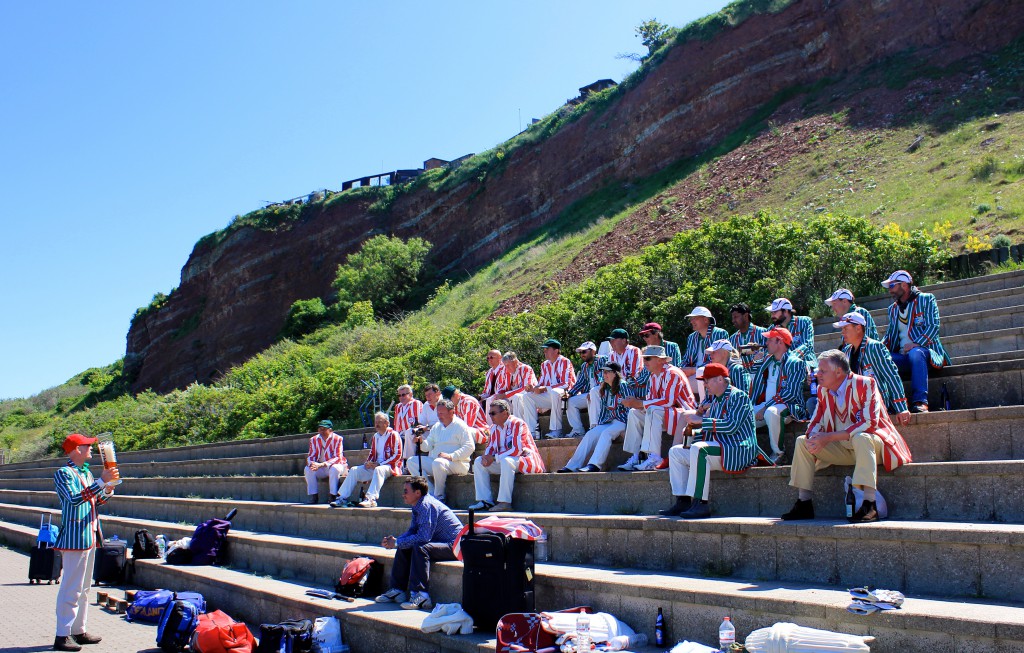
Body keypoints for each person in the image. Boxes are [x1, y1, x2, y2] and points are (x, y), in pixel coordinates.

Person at [782, 350, 913, 523]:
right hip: (845, 448)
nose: (816, 374)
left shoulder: (866, 384)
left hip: (876, 447)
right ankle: (804, 502)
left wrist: (827, 438)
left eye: (822, 371)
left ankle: (869, 504)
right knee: (802, 442)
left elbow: (869, 423)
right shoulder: (823, 390)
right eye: (817, 371)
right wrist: (813, 437)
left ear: (838, 372)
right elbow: (816, 420)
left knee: (862, 437)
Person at [661, 363, 757, 519]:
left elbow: (731, 426)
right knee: (676, 452)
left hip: (738, 449)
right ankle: (683, 501)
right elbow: (711, 429)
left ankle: (701, 504)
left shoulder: (738, 396)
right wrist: (694, 431)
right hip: (721, 448)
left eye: (706, 380)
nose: (704, 385)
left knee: (700, 449)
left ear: (720, 379)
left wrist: (700, 421)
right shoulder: (716, 401)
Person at [53, 433, 118, 652]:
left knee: (84, 588)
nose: (92, 449)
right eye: (87, 446)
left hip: (89, 535)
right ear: (75, 449)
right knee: (71, 588)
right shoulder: (64, 473)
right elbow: (73, 499)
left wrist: (107, 487)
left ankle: (78, 630)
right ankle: (62, 634)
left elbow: (95, 500)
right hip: (74, 537)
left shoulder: (87, 472)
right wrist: (101, 481)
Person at [375, 476, 462, 611]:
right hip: (440, 543)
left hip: (455, 546)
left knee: (421, 547)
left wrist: (397, 542)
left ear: (417, 493)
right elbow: (413, 531)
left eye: (406, 491)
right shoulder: (418, 504)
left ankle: (422, 596)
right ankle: (397, 590)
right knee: (405, 544)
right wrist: (396, 541)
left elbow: (424, 537)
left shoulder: (426, 506)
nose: (403, 494)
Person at [881, 269, 950, 412]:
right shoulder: (892, 309)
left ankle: (920, 401)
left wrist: (916, 343)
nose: (890, 290)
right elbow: (889, 335)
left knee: (916, 353)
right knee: (881, 358)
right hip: (902, 357)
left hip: (925, 353)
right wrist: (876, 348)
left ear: (904, 285)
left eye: (892, 286)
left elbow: (933, 326)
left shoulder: (926, 299)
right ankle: (890, 403)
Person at [618, 345, 697, 471]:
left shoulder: (673, 373)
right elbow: (651, 400)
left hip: (686, 415)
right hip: (667, 414)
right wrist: (636, 405)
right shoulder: (653, 376)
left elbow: (668, 401)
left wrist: (640, 403)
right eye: (644, 359)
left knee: (652, 410)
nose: (644, 362)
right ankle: (637, 456)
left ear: (660, 360)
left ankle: (654, 457)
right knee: (634, 413)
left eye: (648, 358)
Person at [834, 312, 912, 425]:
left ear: (858, 328)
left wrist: (901, 407)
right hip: (856, 405)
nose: (842, 332)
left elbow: (891, 376)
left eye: (846, 328)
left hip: (877, 404)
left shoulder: (875, 347)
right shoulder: (846, 351)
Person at [469, 399, 545, 512]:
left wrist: (493, 457)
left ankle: (505, 503)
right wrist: (486, 457)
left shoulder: (518, 424)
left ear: (505, 413)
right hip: (506, 461)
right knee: (479, 462)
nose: (490, 416)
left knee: (506, 461)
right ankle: (485, 501)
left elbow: (517, 450)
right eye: (489, 413)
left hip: (526, 460)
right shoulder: (494, 428)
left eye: (493, 413)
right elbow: (490, 448)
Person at [748, 328, 809, 465]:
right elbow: (750, 375)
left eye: (770, 339)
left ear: (780, 342)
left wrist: (764, 407)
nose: (766, 342)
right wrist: (753, 359)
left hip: (790, 407)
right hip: (765, 406)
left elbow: (791, 393)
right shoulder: (766, 361)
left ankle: (779, 453)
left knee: (771, 412)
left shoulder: (795, 363)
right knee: (743, 415)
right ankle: (749, 454)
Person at [558, 361, 629, 472]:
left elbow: (630, 407)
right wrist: (599, 426)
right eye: (603, 372)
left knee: (606, 433)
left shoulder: (623, 385)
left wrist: (629, 428)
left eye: (607, 372)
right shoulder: (605, 388)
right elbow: (604, 411)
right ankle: (571, 466)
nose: (604, 375)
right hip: (609, 421)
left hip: (622, 421)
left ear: (615, 373)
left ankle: (595, 465)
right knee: (590, 434)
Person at [407, 400, 473, 503]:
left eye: (442, 413)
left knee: (438, 462)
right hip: (437, 462)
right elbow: (427, 446)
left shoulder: (461, 426)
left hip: (458, 463)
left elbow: (470, 447)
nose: (439, 415)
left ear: (452, 412)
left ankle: (439, 496)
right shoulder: (437, 426)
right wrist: (421, 442)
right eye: (438, 413)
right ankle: (431, 492)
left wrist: (451, 456)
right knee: (411, 461)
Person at [331, 412, 402, 509]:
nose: (376, 424)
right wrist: (368, 463)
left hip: (390, 467)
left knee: (379, 469)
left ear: (387, 423)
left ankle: (371, 499)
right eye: (375, 422)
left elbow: (397, 455)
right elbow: (372, 454)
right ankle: (342, 498)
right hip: (376, 466)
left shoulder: (394, 435)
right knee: (354, 470)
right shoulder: (376, 436)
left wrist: (379, 464)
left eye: (379, 422)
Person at [524, 339, 577, 439]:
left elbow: (566, 384)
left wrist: (545, 389)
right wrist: (532, 388)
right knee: (527, 396)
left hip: (567, 394)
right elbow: (541, 383)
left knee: (555, 392)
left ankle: (556, 430)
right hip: (551, 395)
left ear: (556, 350)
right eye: (544, 349)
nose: (544, 352)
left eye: (547, 349)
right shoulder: (544, 364)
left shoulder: (565, 361)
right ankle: (531, 432)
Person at [679, 307, 729, 402]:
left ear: (705, 319)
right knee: (674, 375)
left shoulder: (720, 333)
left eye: (695, 318)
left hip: (713, 374)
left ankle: (703, 404)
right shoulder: (692, 337)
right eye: (691, 319)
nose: (691, 321)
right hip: (694, 374)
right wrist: (681, 370)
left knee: (701, 371)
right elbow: (686, 359)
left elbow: (720, 359)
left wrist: (694, 370)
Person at [565, 341, 607, 437]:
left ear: (593, 351)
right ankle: (578, 430)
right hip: (590, 394)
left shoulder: (602, 360)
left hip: (604, 392)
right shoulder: (584, 366)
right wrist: (569, 394)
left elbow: (604, 378)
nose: (581, 355)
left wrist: (595, 389)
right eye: (580, 352)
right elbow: (580, 383)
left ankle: (595, 427)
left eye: (584, 352)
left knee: (593, 392)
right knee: (570, 401)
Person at [303, 419, 348, 505]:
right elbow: (311, 455)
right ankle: (313, 495)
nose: (322, 431)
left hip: (336, 465)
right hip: (321, 466)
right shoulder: (314, 439)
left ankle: (333, 495)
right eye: (320, 429)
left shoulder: (338, 439)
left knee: (335, 469)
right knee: (308, 469)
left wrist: (322, 464)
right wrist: (313, 464)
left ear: (330, 430)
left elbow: (338, 457)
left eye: (324, 429)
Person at [766, 298, 817, 369]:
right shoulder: (771, 329)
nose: (772, 316)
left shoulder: (804, 321)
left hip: (806, 365)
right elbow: (767, 349)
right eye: (771, 312)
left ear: (786, 311)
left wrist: (789, 358)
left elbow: (808, 345)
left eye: (775, 312)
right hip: (782, 369)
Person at [501, 351, 539, 435]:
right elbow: (502, 388)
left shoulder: (525, 368)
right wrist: (498, 395)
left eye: (508, 365)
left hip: (531, 397)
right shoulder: (507, 372)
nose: (506, 368)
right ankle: (499, 431)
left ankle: (519, 429)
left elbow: (526, 388)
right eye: (505, 365)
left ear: (515, 361)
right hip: (513, 400)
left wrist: (506, 395)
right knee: (493, 401)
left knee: (517, 397)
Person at [728, 303, 768, 372]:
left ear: (746, 316)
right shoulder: (732, 338)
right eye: (732, 318)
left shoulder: (763, 333)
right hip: (741, 377)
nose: (733, 320)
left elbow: (768, 353)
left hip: (760, 375)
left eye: (736, 317)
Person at [605, 328, 645, 396]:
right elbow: (608, 373)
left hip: (632, 387)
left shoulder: (634, 351)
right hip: (615, 386)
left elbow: (634, 374)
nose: (611, 342)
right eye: (610, 340)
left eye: (613, 340)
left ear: (624, 340)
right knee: (595, 391)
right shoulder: (611, 355)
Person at [394, 385, 424, 473]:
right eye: (399, 395)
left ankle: (408, 463)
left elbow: (419, 422)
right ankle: (396, 466)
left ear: (410, 394)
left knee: (408, 433)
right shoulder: (398, 407)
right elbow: (396, 424)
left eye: (403, 395)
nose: (401, 397)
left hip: (414, 431)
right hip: (402, 433)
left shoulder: (416, 404)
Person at [480, 350, 508, 425]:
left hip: (503, 396)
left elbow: (504, 387)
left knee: (490, 400)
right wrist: (481, 397)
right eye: (488, 358)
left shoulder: (505, 369)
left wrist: (490, 396)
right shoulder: (489, 372)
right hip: (491, 396)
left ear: (500, 358)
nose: (489, 360)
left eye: (492, 357)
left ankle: (490, 427)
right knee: (476, 402)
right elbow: (486, 390)